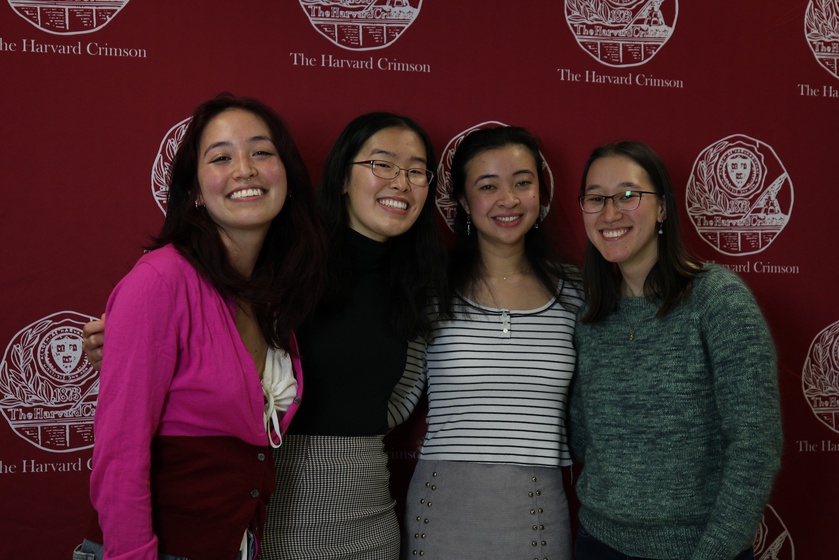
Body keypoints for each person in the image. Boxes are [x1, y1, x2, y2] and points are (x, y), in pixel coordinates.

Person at [83, 111, 447, 559]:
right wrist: (128, 347)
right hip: (268, 524)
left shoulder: (409, 282)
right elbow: (128, 437)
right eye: (382, 164)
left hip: (359, 519)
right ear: (341, 178)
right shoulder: (276, 273)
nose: (401, 182)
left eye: (416, 171)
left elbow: (400, 393)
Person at [74, 93, 326, 560]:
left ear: (288, 176)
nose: (245, 169)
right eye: (221, 157)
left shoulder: (269, 294)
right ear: (193, 189)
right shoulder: (160, 280)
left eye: (262, 152)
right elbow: (120, 450)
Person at [569, 140, 782, 560]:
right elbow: (581, 438)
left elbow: (756, 446)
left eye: (628, 195)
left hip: (697, 549)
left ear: (663, 208)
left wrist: (714, 552)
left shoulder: (717, 300)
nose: (610, 213)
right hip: (597, 543)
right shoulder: (590, 315)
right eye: (596, 198)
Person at [397, 126, 583, 559]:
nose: (509, 199)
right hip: (441, 509)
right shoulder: (431, 289)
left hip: (538, 511)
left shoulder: (577, 292)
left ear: (540, 192)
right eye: (488, 186)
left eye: (522, 182)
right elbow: (400, 398)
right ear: (463, 202)